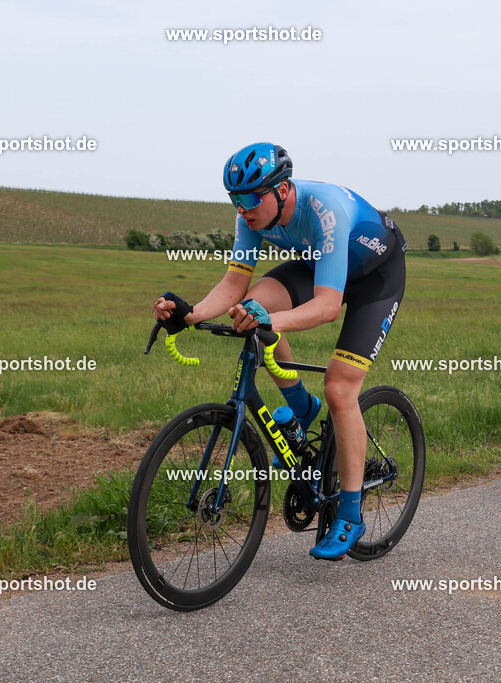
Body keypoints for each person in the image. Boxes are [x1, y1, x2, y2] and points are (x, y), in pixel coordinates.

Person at [152, 142, 408, 559]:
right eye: (234, 199)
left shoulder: (325, 210)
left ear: (283, 190)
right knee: (253, 303)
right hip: (319, 263)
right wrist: (190, 314)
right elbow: (235, 285)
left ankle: (350, 510)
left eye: (251, 198)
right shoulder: (250, 217)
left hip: (375, 278)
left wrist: (272, 321)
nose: (242, 208)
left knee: (340, 388)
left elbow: (327, 307)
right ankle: (298, 405)